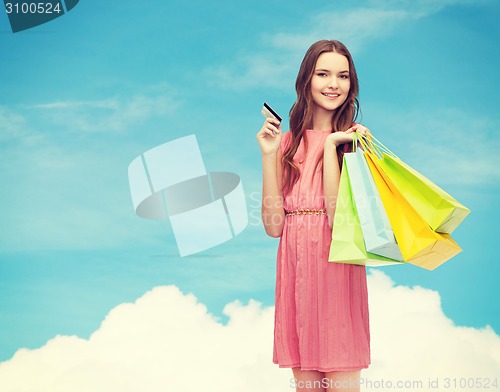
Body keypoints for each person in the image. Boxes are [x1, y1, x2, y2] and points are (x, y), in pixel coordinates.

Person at [256, 40, 371, 392]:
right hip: (296, 271)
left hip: (336, 269)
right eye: (323, 74)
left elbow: (340, 222)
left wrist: (334, 146)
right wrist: (269, 154)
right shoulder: (286, 143)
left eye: (343, 76)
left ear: (352, 86)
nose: (333, 84)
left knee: (340, 383)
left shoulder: (355, 142)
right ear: (306, 80)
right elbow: (274, 226)